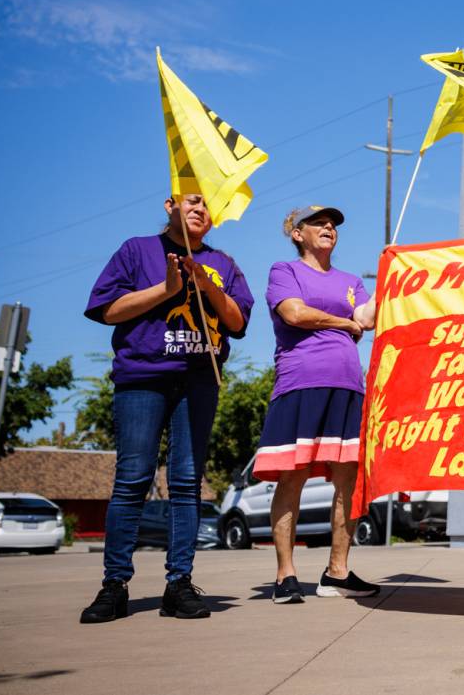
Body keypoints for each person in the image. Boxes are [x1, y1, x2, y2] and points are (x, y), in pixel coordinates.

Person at [79, 194, 254, 624]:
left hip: (198, 380)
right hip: (143, 378)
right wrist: (168, 290)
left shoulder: (224, 262)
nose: (200, 209)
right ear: (169, 204)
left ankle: (179, 584)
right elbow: (106, 309)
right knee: (132, 479)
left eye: (209, 205)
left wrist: (207, 284)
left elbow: (237, 323)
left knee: (186, 483)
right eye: (192, 201)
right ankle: (114, 586)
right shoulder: (137, 250)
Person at [251, 205, 380, 604]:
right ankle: (285, 574)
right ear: (297, 233)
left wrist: (390, 275)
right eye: (319, 223)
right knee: (294, 477)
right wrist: (344, 324)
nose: (329, 227)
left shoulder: (349, 280)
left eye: (334, 224)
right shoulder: (283, 271)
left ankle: (337, 573)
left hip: (348, 389)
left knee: (349, 481)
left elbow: (368, 318)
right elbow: (293, 312)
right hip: (300, 384)